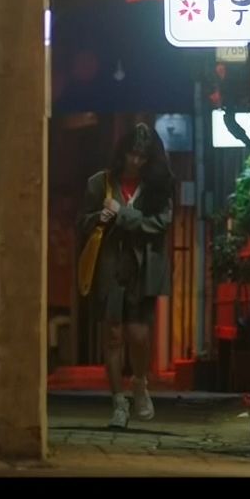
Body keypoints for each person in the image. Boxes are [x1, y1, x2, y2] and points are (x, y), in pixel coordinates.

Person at [80, 123, 175, 429]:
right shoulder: (100, 183)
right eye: (131, 154)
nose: (135, 161)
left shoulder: (158, 187)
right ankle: (118, 402)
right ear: (122, 153)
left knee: (138, 333)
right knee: (112, 333)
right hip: (110, 265)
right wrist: (99, 216)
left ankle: (139, 382)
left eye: (142, 156)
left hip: (143, 267)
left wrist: (121, 214)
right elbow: (82, 222)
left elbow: (160, 224)